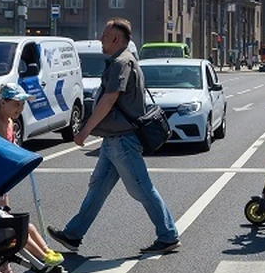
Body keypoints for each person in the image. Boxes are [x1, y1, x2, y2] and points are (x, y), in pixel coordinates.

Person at [47, 17, 180, 255]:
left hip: (123, 140)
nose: (100, 39)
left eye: (105, 36)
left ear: (117, 39)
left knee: (141, 189)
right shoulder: (121, 61)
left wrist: (85, 130)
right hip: (113, 141)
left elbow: (110, 99)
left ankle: (168, 235)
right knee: (97, 188)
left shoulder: (122, 62)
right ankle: (73, 235)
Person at [0, 82, 64, 273]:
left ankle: (43, 254)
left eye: (22, 105)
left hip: (3, 183)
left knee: (13, 224)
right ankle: (15, 265)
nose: (20, 109)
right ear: (3, 103)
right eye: (16, 104)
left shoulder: (9, 121)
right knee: (5, 228)